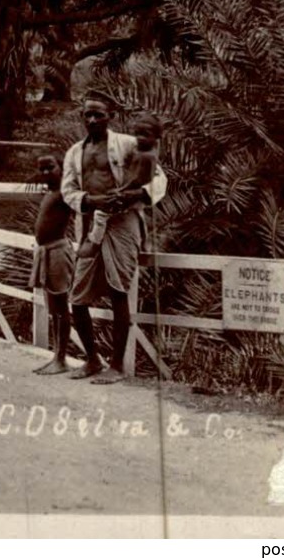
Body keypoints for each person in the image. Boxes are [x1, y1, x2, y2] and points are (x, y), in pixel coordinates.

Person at [61, 95, 167, 385]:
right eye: (87, 115)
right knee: (77, 297)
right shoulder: (73, 153)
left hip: (123, 224)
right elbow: (67, 190)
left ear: (110, 116)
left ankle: (117, 365)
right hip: (91, 224)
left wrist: (135, 195)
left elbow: (158, 179)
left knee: (119, 291)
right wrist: (90, 200)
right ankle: (92, 359)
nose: (92, 120)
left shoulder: (128, 144)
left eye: (98, 115)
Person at [28, 155, 78, 375]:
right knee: (53, 308)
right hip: (46, 252)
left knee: (61, 307)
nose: (46, 173)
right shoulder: (50, 193)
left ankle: (61, 358)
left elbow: (85, 203)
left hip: (58, 252)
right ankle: (56, 355)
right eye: (42, 169)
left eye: (51, 168)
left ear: (61, 168)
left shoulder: (65, 193)